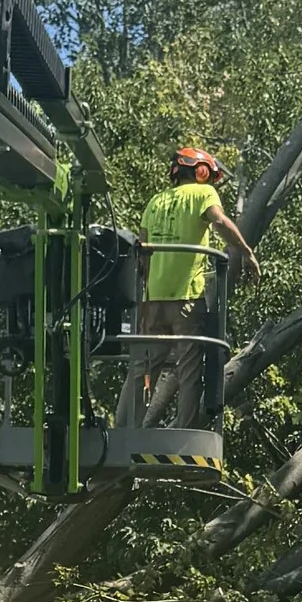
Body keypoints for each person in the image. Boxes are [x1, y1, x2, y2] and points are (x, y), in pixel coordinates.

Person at [126, 145, 259, 426]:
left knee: (142, 367)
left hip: (153, 300)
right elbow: (220, 222)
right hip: (186, 298)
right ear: (200, 172)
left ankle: (124, 430)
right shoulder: (204, 193)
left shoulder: (155, 201)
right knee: (189, 368)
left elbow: (143, 256)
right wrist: (247, 253)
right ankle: (183, 432)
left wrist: (145, 301)